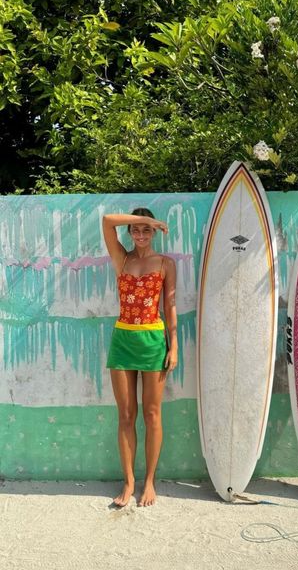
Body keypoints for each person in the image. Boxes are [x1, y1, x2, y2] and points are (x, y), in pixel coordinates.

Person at [102, 208, 178, 507]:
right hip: (123, 340)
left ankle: (149, 482)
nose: (142, 236)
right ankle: (129, 481)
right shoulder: (122, 259)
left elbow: (170, 306)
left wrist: (174, 347)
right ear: (131, 232)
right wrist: (143, 219)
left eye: (147, 231)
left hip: (153, 340)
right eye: (137, 230)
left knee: (152, 414)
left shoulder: (165, 263)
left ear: (155, 233)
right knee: (126, 415)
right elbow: (107, 221)